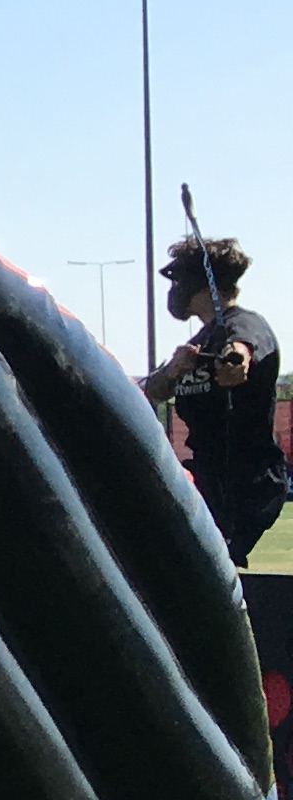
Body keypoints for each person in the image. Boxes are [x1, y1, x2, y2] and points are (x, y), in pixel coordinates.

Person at [142, 233, 283, 568]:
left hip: (246, 485)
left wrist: (236, 362)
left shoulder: (245, 324)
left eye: (178, 279)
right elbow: (152, 390)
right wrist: (172, 372)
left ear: (201, 283)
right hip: (205, 480)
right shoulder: (196, 342)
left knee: (206, 565)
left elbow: (244, 348)